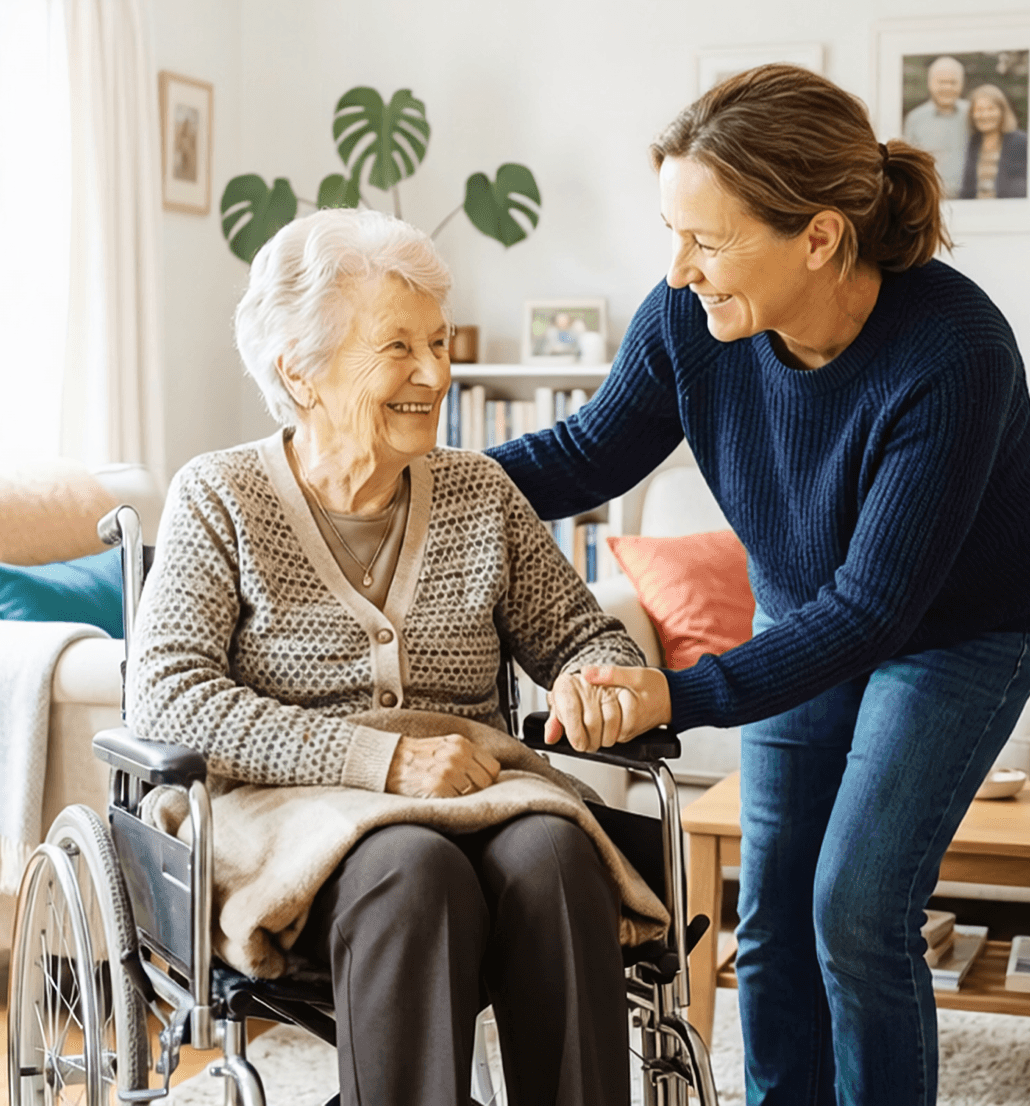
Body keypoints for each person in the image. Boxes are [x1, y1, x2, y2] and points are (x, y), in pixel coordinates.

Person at [489, 64, 1030, 1105]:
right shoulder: (688, 321)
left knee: (853, 907)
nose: (678, 271)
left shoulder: (952, 351)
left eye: (705, 241)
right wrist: (414, 476)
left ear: (819, 236)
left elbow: (873, 610)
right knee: (771, 913)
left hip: (959, 630)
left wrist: (679, 691)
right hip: (808, 605)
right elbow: (585, 451)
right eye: (672, 233)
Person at [130, 207, 650, 1106]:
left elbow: (586, 635)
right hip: (291, 821)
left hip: (477, 795)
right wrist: (382, 760)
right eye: (400, 347)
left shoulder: (480, 493)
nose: (436, 373)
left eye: (439, 342)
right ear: (301, 368)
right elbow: (169, 700)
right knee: (415, 872)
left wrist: (594, 680)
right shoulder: (220, 496)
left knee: (560, 858)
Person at [902, 56, 971, 200]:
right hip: (930, 199)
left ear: (962, 84)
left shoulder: (972, 113)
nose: (947, 87)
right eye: (942, 82)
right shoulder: (915, 118)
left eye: (953, 82)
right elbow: (908, 164)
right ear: (930, 83)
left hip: (970, 197)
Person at [958, 84, 1027, 201]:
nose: (985, 115)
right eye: (979, 110)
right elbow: (967, 188)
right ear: (972, 115)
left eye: (991, 109)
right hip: (976, 212)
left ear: (1002, 111)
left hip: (1010, 213)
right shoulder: (973, 143)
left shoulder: (1021, 142)